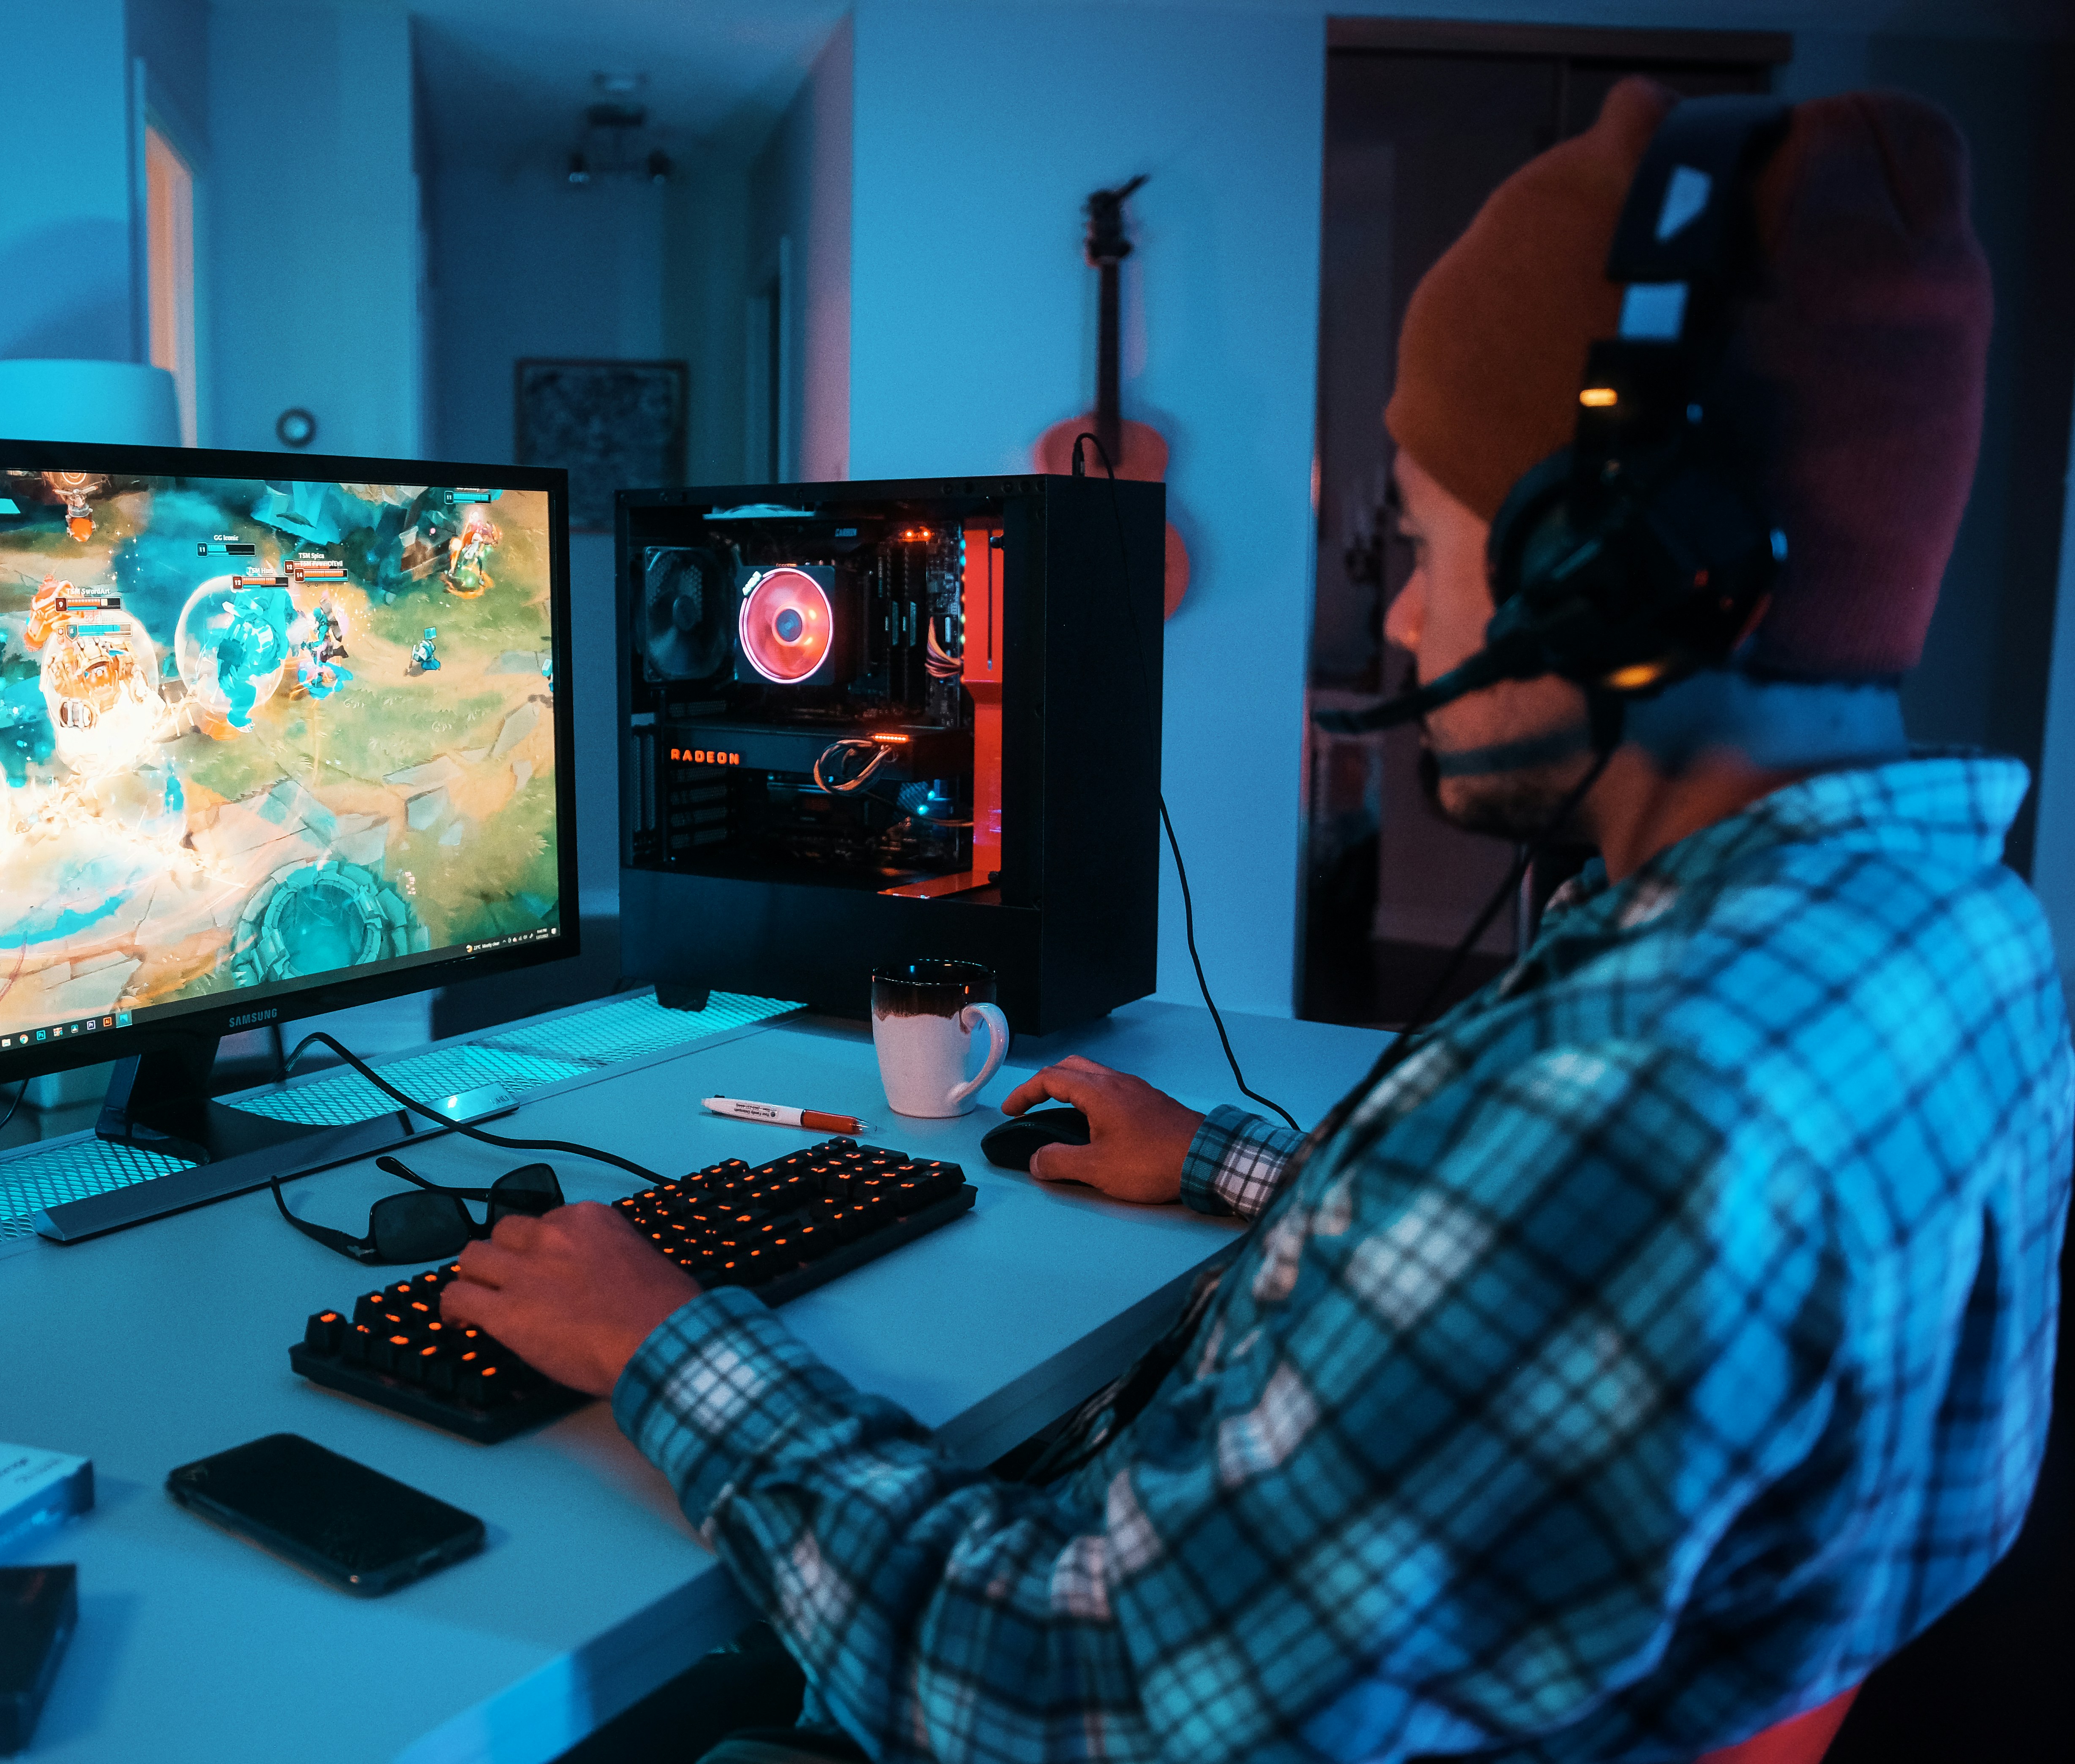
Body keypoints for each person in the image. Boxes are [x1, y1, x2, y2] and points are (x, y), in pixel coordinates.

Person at [442, 81, 2070, 1763]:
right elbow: (1546, 1331)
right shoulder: (1946, 933)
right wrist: (1237, 1164)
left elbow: (1081, 1694)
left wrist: (665, 1337)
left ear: (1625, 580)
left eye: (1423, 543)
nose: (1418, 620)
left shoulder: (1638, 1091)